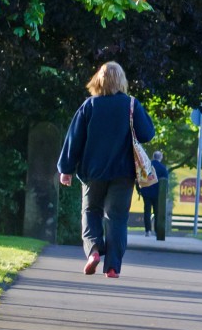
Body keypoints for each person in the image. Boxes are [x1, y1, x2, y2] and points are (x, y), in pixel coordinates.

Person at [56, 61, 155, 278]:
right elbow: (147, 133)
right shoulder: (131, 104)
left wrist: (66, 169)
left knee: (91, 211)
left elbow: (74, 140)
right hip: (123, 173)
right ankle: (112, 267)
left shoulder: (89, 106)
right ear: (122, 81)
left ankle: (93, 251)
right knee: (117, 217)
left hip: (93, 173)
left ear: (98, 80)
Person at [139, 150, 171, 242]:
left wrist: (140, 190)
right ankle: (157, 231)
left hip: (146, 192)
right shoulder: (163, 168)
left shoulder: (146, 166)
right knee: (157, 212)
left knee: (147, 211)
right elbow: (166, 182)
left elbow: (140, 178)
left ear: (153, 157)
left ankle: (147, 231)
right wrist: (166, 193)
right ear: (160, 158)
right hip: (158, 194)